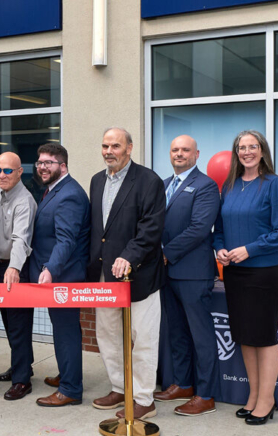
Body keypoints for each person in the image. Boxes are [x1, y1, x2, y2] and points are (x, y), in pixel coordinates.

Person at [214, 130, 278, 425]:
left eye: (253, 146)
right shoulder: (230, 186)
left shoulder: (275, 185)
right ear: (236, 152)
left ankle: (267, 399)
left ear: (262, 151)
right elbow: (219, 227)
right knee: (245, 337)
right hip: (234, 273)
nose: (247, 151)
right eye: (241, 147)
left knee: (263, 337)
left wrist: (250, 250)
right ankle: (253, 395)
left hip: (263, 273)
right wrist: (220, 249)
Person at [87, 127, 165, 420]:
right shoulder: (97, 181)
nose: (109, 151)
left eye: (115, 146)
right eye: (105, 145)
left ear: (129, 148)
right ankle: (120, 387)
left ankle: (144, 399)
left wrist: (128, 256)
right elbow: (99, 231)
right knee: (107, 335)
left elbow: (151, 229)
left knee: (142, 337)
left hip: (140, 276)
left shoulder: (149, 181)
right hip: (105, 276)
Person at [155, 135, 220, 416]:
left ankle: (205, 395)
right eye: (175, 150)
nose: (179, 154)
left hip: (193, 274)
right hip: (167, 273)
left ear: (197, 154)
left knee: (201, 336)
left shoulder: (206, 186)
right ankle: (182, 384)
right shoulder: (165, 185)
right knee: (177, 333)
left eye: (185, 150)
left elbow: (199, 228)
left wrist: (165, 253)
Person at [29, 143, 91, 407]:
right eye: (40, 162)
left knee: (66, 332)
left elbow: (66, 240)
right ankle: (68, 375)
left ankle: (71, 390)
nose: (42, 167)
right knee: (64, 330)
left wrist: (50, 270)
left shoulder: (69, 195)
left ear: (62, 166)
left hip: (65, 276)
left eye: (49, 163)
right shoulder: (54, 190)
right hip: (59, 273)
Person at [0, 152, 38, 400]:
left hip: (17, 269)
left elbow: (21, 238)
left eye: (8, 170)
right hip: (0, 267)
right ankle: (22, 365)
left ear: (20, 172)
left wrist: (14, 268)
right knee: (9, 323)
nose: (1, 175)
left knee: (19, 325)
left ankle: (22, 381)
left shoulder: (25, 201)